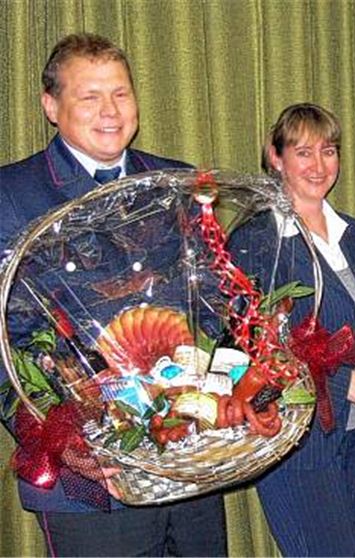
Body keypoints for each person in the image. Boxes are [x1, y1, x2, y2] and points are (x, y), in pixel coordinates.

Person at [0, 33, 227, 556]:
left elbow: (210, 301)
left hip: (189, 463)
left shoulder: (174, 183)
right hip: (92, 480)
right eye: (90, 96)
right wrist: (55, 433)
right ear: (50, 106)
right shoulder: (10, 196)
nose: (110, 111)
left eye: (121, 94)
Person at [230, 103, 355, 557]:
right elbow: (248, 348)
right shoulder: (257, 239)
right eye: (303, 152)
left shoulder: (352, 233)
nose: (319, 165)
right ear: (275, 156)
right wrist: (344, 381)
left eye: (328, 151)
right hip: (298, 441)